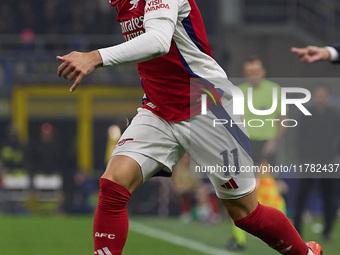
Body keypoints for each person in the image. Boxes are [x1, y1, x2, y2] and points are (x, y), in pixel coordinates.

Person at [57, 1, 321, 254]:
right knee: (113, 184)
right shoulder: (121, 2)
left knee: (246, 214)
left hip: (206, 106)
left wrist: (95, 56)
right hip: (158, 109)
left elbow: (158, 42)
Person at [226, 56, 287, 250]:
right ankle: (239, 240)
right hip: (245, 146)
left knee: (272, 191)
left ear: (263, 72)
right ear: (245, 74)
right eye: (249, 72)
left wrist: (275, 140)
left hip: (267, 146)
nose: (253, 75)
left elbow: (283, 118)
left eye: (256, 71)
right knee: (239, 193)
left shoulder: (275, 90)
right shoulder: (238, 93)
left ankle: (285, 233)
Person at [294, 85, 339, 241]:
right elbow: (299, 139)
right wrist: (303, 158)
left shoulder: (333, 116)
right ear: (315, 96)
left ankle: (327, 231)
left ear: (327, 96)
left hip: (327, 161)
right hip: (309, 161)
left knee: (329, 197)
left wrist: (334, 156)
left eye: (323, 94)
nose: (320, 97)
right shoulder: (306, 115)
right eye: (318, 94)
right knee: (302, 196)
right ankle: (297, 230)